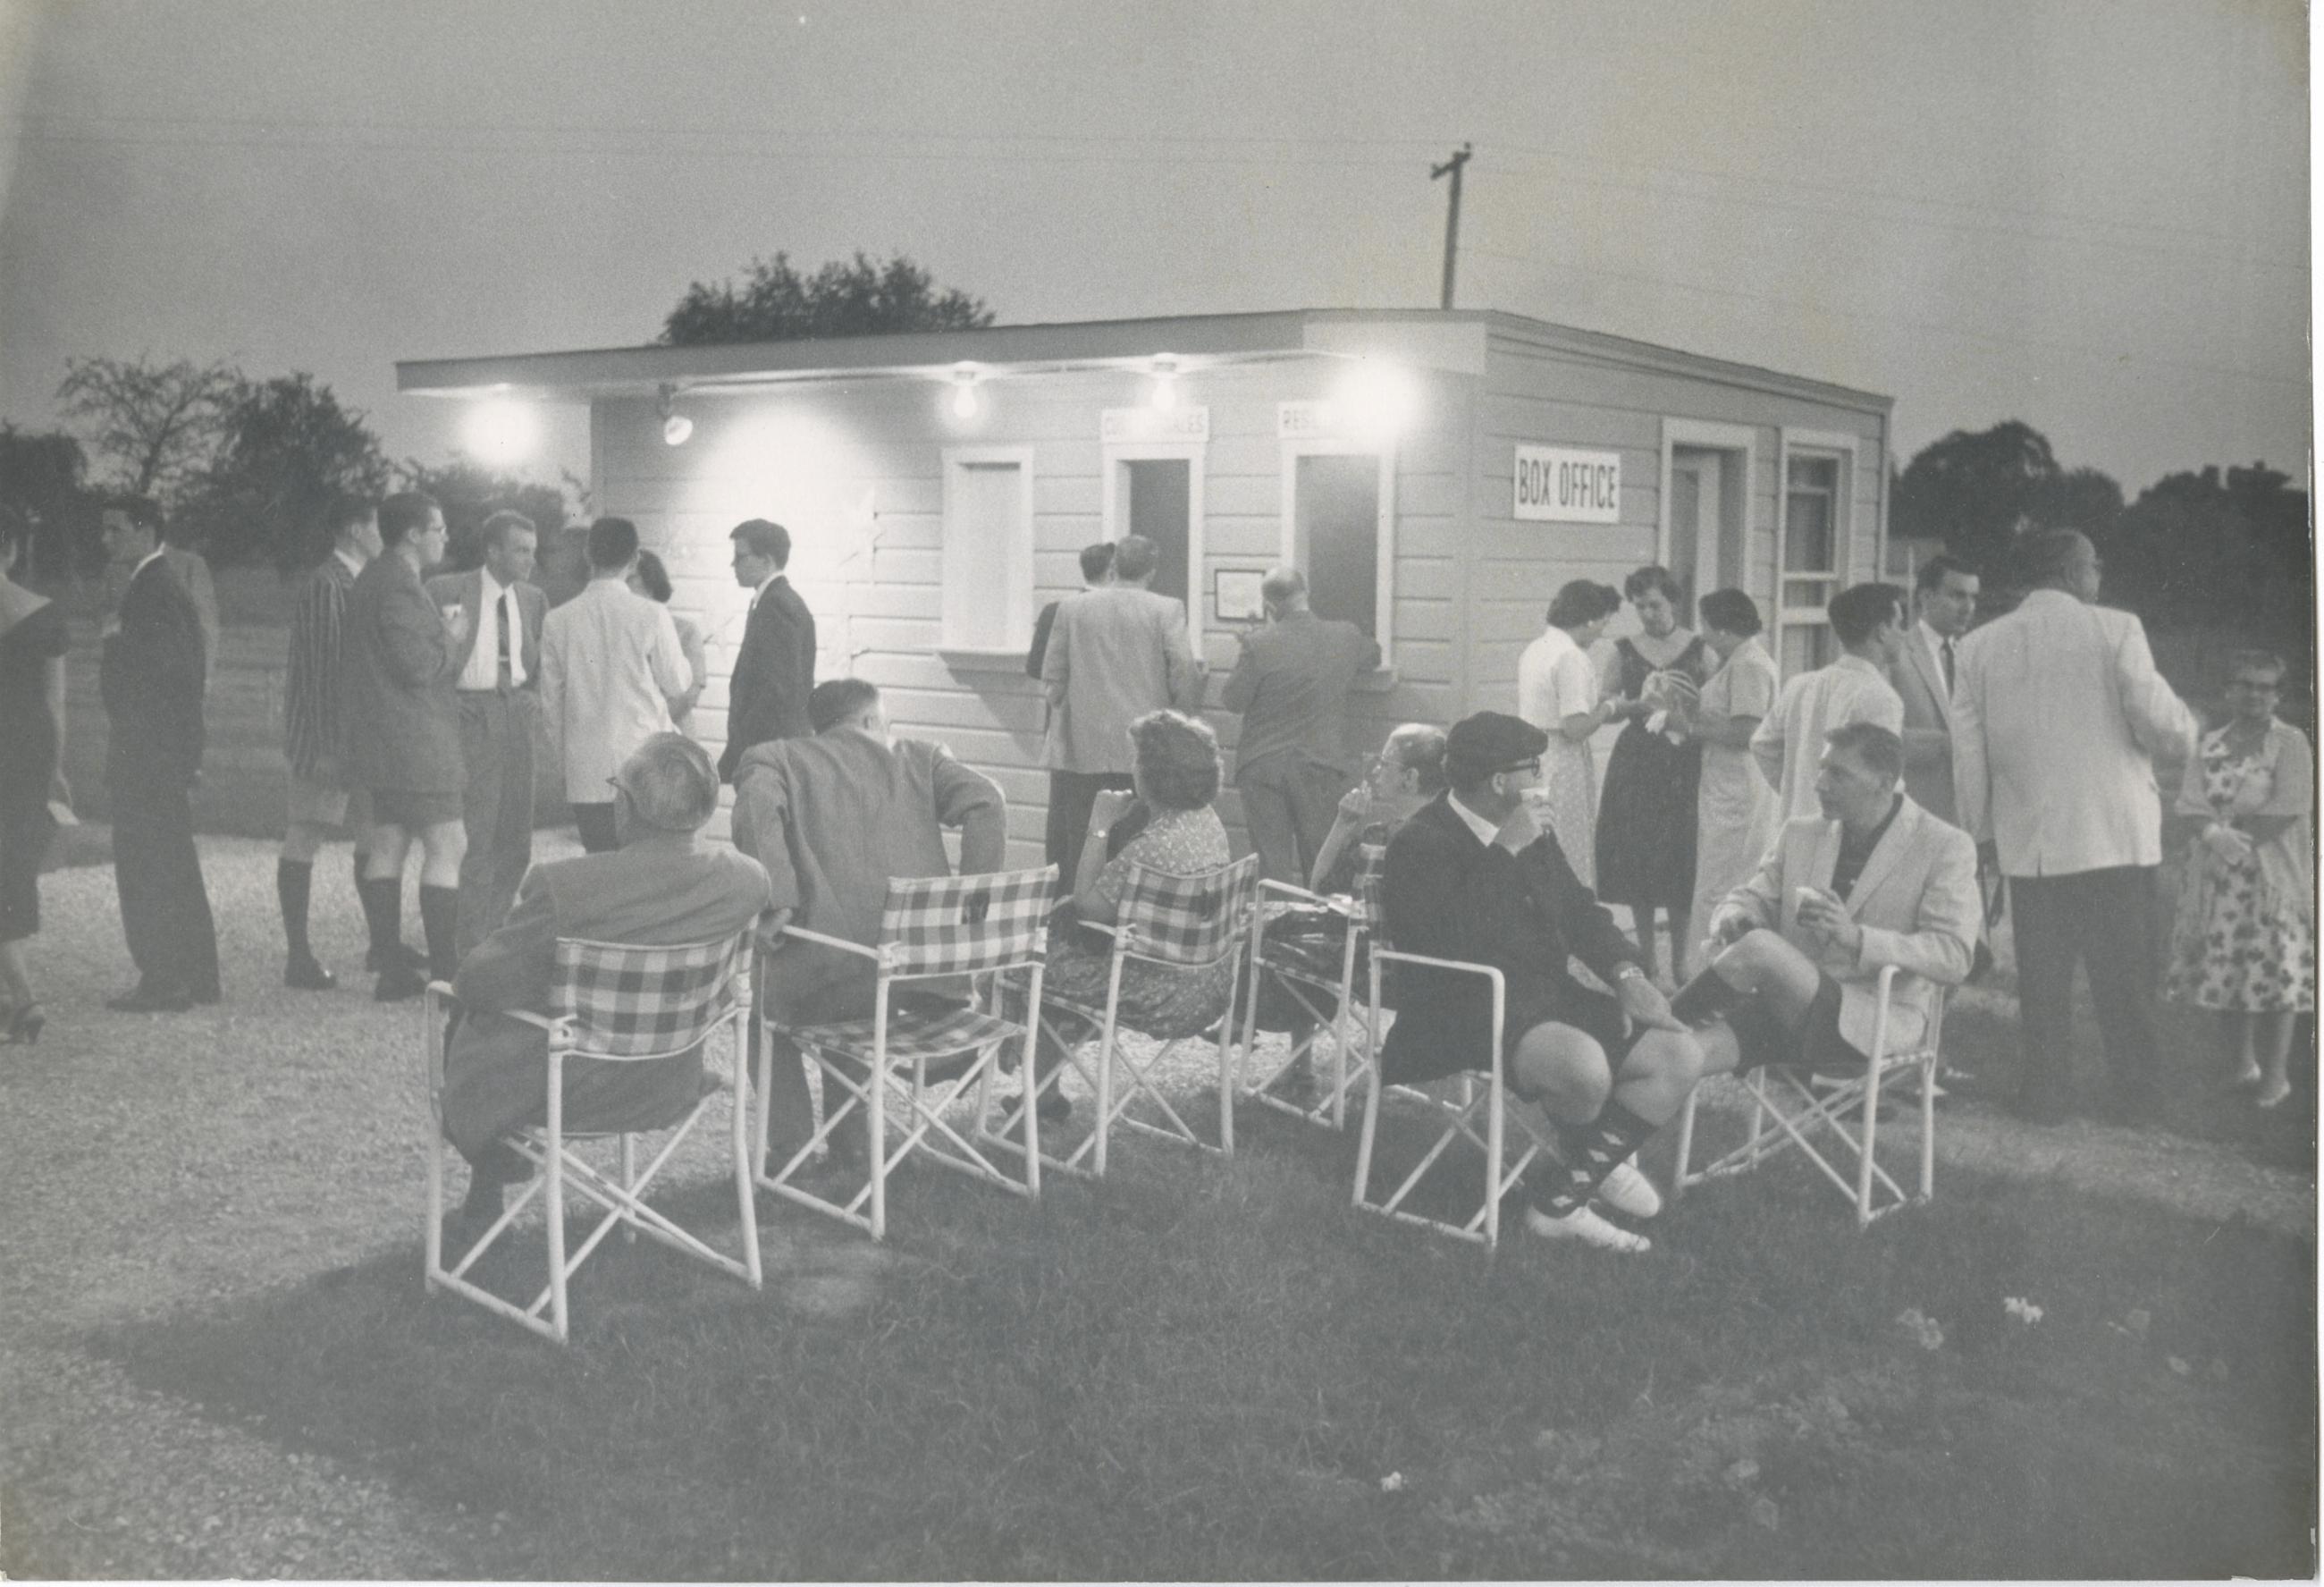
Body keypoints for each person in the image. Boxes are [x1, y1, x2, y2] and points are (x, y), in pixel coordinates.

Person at [1379, 712, 1697, 1254]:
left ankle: (1569, 1188)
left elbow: (1576, 909)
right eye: (1534, 768)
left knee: (1677, 1054)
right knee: (1584, 1069)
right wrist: (1505, 852)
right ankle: (1587, 1168)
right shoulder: (1420, 842)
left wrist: (1625, 974)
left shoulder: (1531, 829)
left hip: (1538, 996)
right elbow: (1449, 944)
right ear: (1501, 782)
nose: (1542, 777)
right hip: (1459, 1008)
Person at [438, 733, 772, 1239]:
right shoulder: (746, 881)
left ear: (628, 808)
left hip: (568, 1091)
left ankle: (486, 1193)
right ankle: (489, 1195)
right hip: (667, 1083)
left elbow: (477, 984)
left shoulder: (565, 886)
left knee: (471, 1012)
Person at [1952, 528, 2196, 1124]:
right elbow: (2163, 724)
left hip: (2033, 842)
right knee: (2125, 981)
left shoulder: (1978, 645)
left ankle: (2047, 1094)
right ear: (2067, 570)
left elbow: (1969, 755)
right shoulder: (2116, 628)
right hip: (2115, 837)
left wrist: (1979, 833)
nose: (2099, 574)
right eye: (2094, 564)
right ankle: (2138, 1098)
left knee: (2043, 982)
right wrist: (2185, 735)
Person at [731, 677, 1007, 1171]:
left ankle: (790, 1147)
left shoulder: (774, 759)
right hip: (919, 975)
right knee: (860, 986)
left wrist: (779, 901)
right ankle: (852, 1139)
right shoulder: (921, 758)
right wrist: (970, 902)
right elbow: (988, 801)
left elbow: (757, 812)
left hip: (828, 971)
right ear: (869, 721)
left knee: (756, 1009)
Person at [1679, 723, 1980, 1093]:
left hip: (1871, 1021)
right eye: (1822, 768)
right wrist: (1736, 917)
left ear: (1883, 784)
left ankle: (1660, 1020)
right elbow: (1749, 897)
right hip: (1787, 1009)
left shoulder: (1944, 846)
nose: (1820, 783)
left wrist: (1858, 939)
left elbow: (1953, 956)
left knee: (1759, 948)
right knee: (1674, 1055)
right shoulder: (1802, 833)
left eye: (1838, 774)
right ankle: (1629, 1066)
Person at [1018, 709, 1234, 1122]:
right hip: (1207, 987)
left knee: (1031, 965)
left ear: (1154, 776)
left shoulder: (1151, 846)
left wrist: (1099, 825)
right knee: (1065, 958)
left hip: (1156, 993)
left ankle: (1035, 1089)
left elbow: (1088, 904)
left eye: (1136, 760)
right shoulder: (1208, 823)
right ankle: (1044, 1091)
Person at [2163, 651, 2312, 1110]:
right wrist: (2211, 832)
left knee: (2274, 969)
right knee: (2226, 966)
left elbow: (2288, 806)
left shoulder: (2290, 743)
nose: (2254, 695)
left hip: (2270, 877)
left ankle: (2278, 1076)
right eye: (2246, 685)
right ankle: (2242, 1065)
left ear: (2278, 695)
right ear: (2229, 690)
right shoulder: (2209, 742)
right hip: (2215, 878)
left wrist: (2233, 847)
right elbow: (2189, 802)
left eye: (2265, 688)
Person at [345, 490, 469, 1001]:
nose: (445, 537)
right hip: (417, 739)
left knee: (389, 843)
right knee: (448, 845)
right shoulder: (398, 587)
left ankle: (392, 967)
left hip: (380, 738)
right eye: (438, 529)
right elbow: (417, 667)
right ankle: (446, 975)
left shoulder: (368, 580)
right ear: (413, 535)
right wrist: (452, 637)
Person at [97, 495, 220, 1011]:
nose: (105, 539)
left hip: (147, 755)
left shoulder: (152, 590)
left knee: (147, 865)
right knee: (172, 862)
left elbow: (167, 678)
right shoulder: (157, 586)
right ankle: (196, 977)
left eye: (114, 529)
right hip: (161, 753)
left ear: (146, 532)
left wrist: (113, 647)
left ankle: (164, 979)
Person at [1039, 533, 1203, 891]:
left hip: (1082, 749)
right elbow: (1183, 672)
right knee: (1136, 843)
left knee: (1082, 842)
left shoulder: (1072, 608)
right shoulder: (1166, 609)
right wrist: (1181, 721)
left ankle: (1076, 926)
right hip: (1143, 749)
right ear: (1152, 571)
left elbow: (1052, 678)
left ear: (1113, 566)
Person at [278, 493, 388, 992]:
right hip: (327, 738)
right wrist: (324, 745)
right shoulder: (328, 583)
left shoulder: (357, 580)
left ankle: (382, 944)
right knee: (306, 835)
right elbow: (324, 670)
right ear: (353, 530)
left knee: (372, 832)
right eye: (376, 526)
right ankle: (298, 956)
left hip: (356, 736)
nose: (382, 535)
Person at [427, 510, 545, 956]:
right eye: (520, 550)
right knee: (476, 834)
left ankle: (494, 934)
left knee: (516, 837)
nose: (529, 560)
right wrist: (450, 703)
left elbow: (536, 662)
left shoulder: (533, 599)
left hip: (516, 714)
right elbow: (428, 657)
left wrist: (530, 697)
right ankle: (467, 944)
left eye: (532, 551)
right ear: (493, 550)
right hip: (470, 715)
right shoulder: (447, 590)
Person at [1221, 566, 1380, 885]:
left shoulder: (1258, 643)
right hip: (1319, 764)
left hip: (1262, 767)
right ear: (1306, 593)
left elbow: (1233, 700)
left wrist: (1252, 644)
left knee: (1272, 868)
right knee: (1323, 863)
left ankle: (1271, 932)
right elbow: (1373, 655)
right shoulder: (1345, 635)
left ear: (1270, 606)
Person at [542, 517, 692, 855]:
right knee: (646, 867)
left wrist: (565, 764)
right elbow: (678, 683)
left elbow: (551, 705)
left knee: (601, 869)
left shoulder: (557, 620)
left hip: (586, 767)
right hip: (644, 764)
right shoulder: (652, 614)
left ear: (586, 554)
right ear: (635, 558)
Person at [1594, 565, 1709, 981]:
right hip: (1638, 759)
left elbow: (1712, 707)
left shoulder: (1699, 648)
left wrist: (1682, 708)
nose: (1648, 614)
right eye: (1640, 606)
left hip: (1683, 760)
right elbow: (1605, 708)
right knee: (1639, 857)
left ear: (1673, 602)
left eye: (1655, 605)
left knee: (1679, 860)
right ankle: (1648, 958)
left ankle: (1680, 960)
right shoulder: (1623, 649)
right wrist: (1636, 704)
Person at [1751, 582, 1908, 822]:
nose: (1903, 634)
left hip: (1795, 828)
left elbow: (1762, 744)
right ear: (1882, 630)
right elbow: (1881, 782)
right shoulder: (1881, 696)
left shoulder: (1800, 685)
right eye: (1899, 624)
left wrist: (1799, 793)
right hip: (1846, 836)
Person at [0, 506, 67, 1043]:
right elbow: (55, 702)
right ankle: (20, 996)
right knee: (12, 862)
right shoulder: (43, 613)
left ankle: (21, 995)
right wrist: (58, 767)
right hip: (27, 745)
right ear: (14, 550)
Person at [1685, 589, 1781, 957]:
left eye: (1705, 625)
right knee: (1714, 877)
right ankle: (1708, 971)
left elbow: (1747, 731)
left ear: (1723, 629)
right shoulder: (1735, 661)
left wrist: (1690, 726)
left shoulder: (1749, 665)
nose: (1703, 634)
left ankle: (1715, 973)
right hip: (1722, 783)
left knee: (1722, 882)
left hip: (1739, 790)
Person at [1516, 579, 1621, 887]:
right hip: (1561, 760)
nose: (1603, 631)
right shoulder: (1570, 656)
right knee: (1567, 852)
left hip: (1531, 759)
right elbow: (1575, 727)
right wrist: (1611, 707)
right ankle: (1570, 928)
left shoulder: (1536, 649)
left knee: (1538, 846)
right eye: (1603, 622)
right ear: (1590, 620)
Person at [718, 518, 816, 782]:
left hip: (769, 754)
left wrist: (742, 749)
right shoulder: (775, 601)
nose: (733, 565)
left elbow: (777, 693)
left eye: (740, 557)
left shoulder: (777, 606)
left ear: (766, 560)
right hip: (770, 751)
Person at [1309, 722, 1449, 894]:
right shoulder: (1458, 833)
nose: (1376, 771)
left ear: (1410, 777)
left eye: (1384, 763)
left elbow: (1319, 891)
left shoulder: (1378, 839)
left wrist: (1343, 823)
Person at [1894, 555, 1979, 826]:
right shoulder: (1896, 655)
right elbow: (1879, 735)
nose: (1968, 607)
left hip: (1968, 817)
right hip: (1915, 811)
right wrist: (1945, 744)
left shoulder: (1974, 656)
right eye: (1957, 596)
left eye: (1973, 598)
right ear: (1926, 597)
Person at [628, 549, 707, 726]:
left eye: (630, 577)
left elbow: (688, 694)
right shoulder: (620, 632)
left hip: (671, 736)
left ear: (650, 582)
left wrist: (651, 726)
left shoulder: (686, 630)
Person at [1027, 539, 1115, 680]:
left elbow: (1035, 667)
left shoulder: (1053, 611)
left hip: (1064, 698)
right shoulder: (1118, 614)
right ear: (1112, 572)